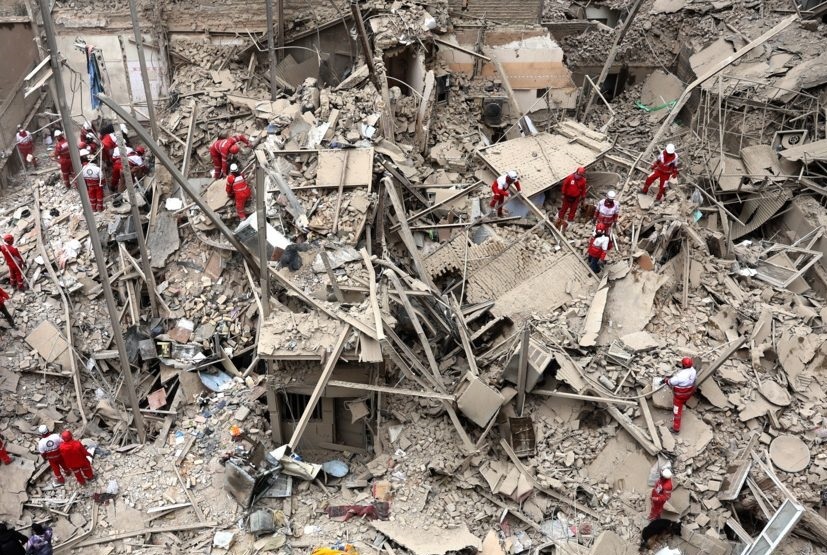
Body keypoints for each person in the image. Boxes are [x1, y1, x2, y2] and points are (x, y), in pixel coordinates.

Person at [662, 357, 697, 433]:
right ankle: (684, 403)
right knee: (684, 398)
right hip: (689, 393)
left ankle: (676, 428)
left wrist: (665, 380)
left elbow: (671, 382)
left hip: (680, 397)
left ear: (683, 365)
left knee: (677, 411)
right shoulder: (693, 371)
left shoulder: (680, 376)